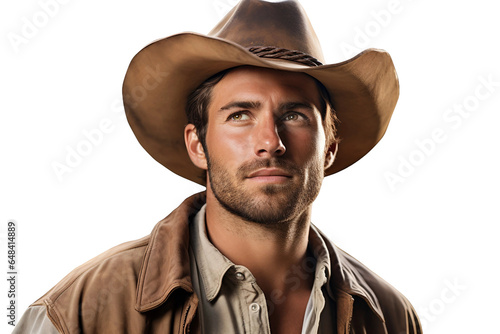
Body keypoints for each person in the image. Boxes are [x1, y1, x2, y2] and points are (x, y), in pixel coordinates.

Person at [13, 0, 421, 333]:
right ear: (197, 145)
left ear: (329, 146)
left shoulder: (391, 317)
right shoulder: (80, 312)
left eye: (295, 115)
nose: (270, 143)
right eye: (240, 115)